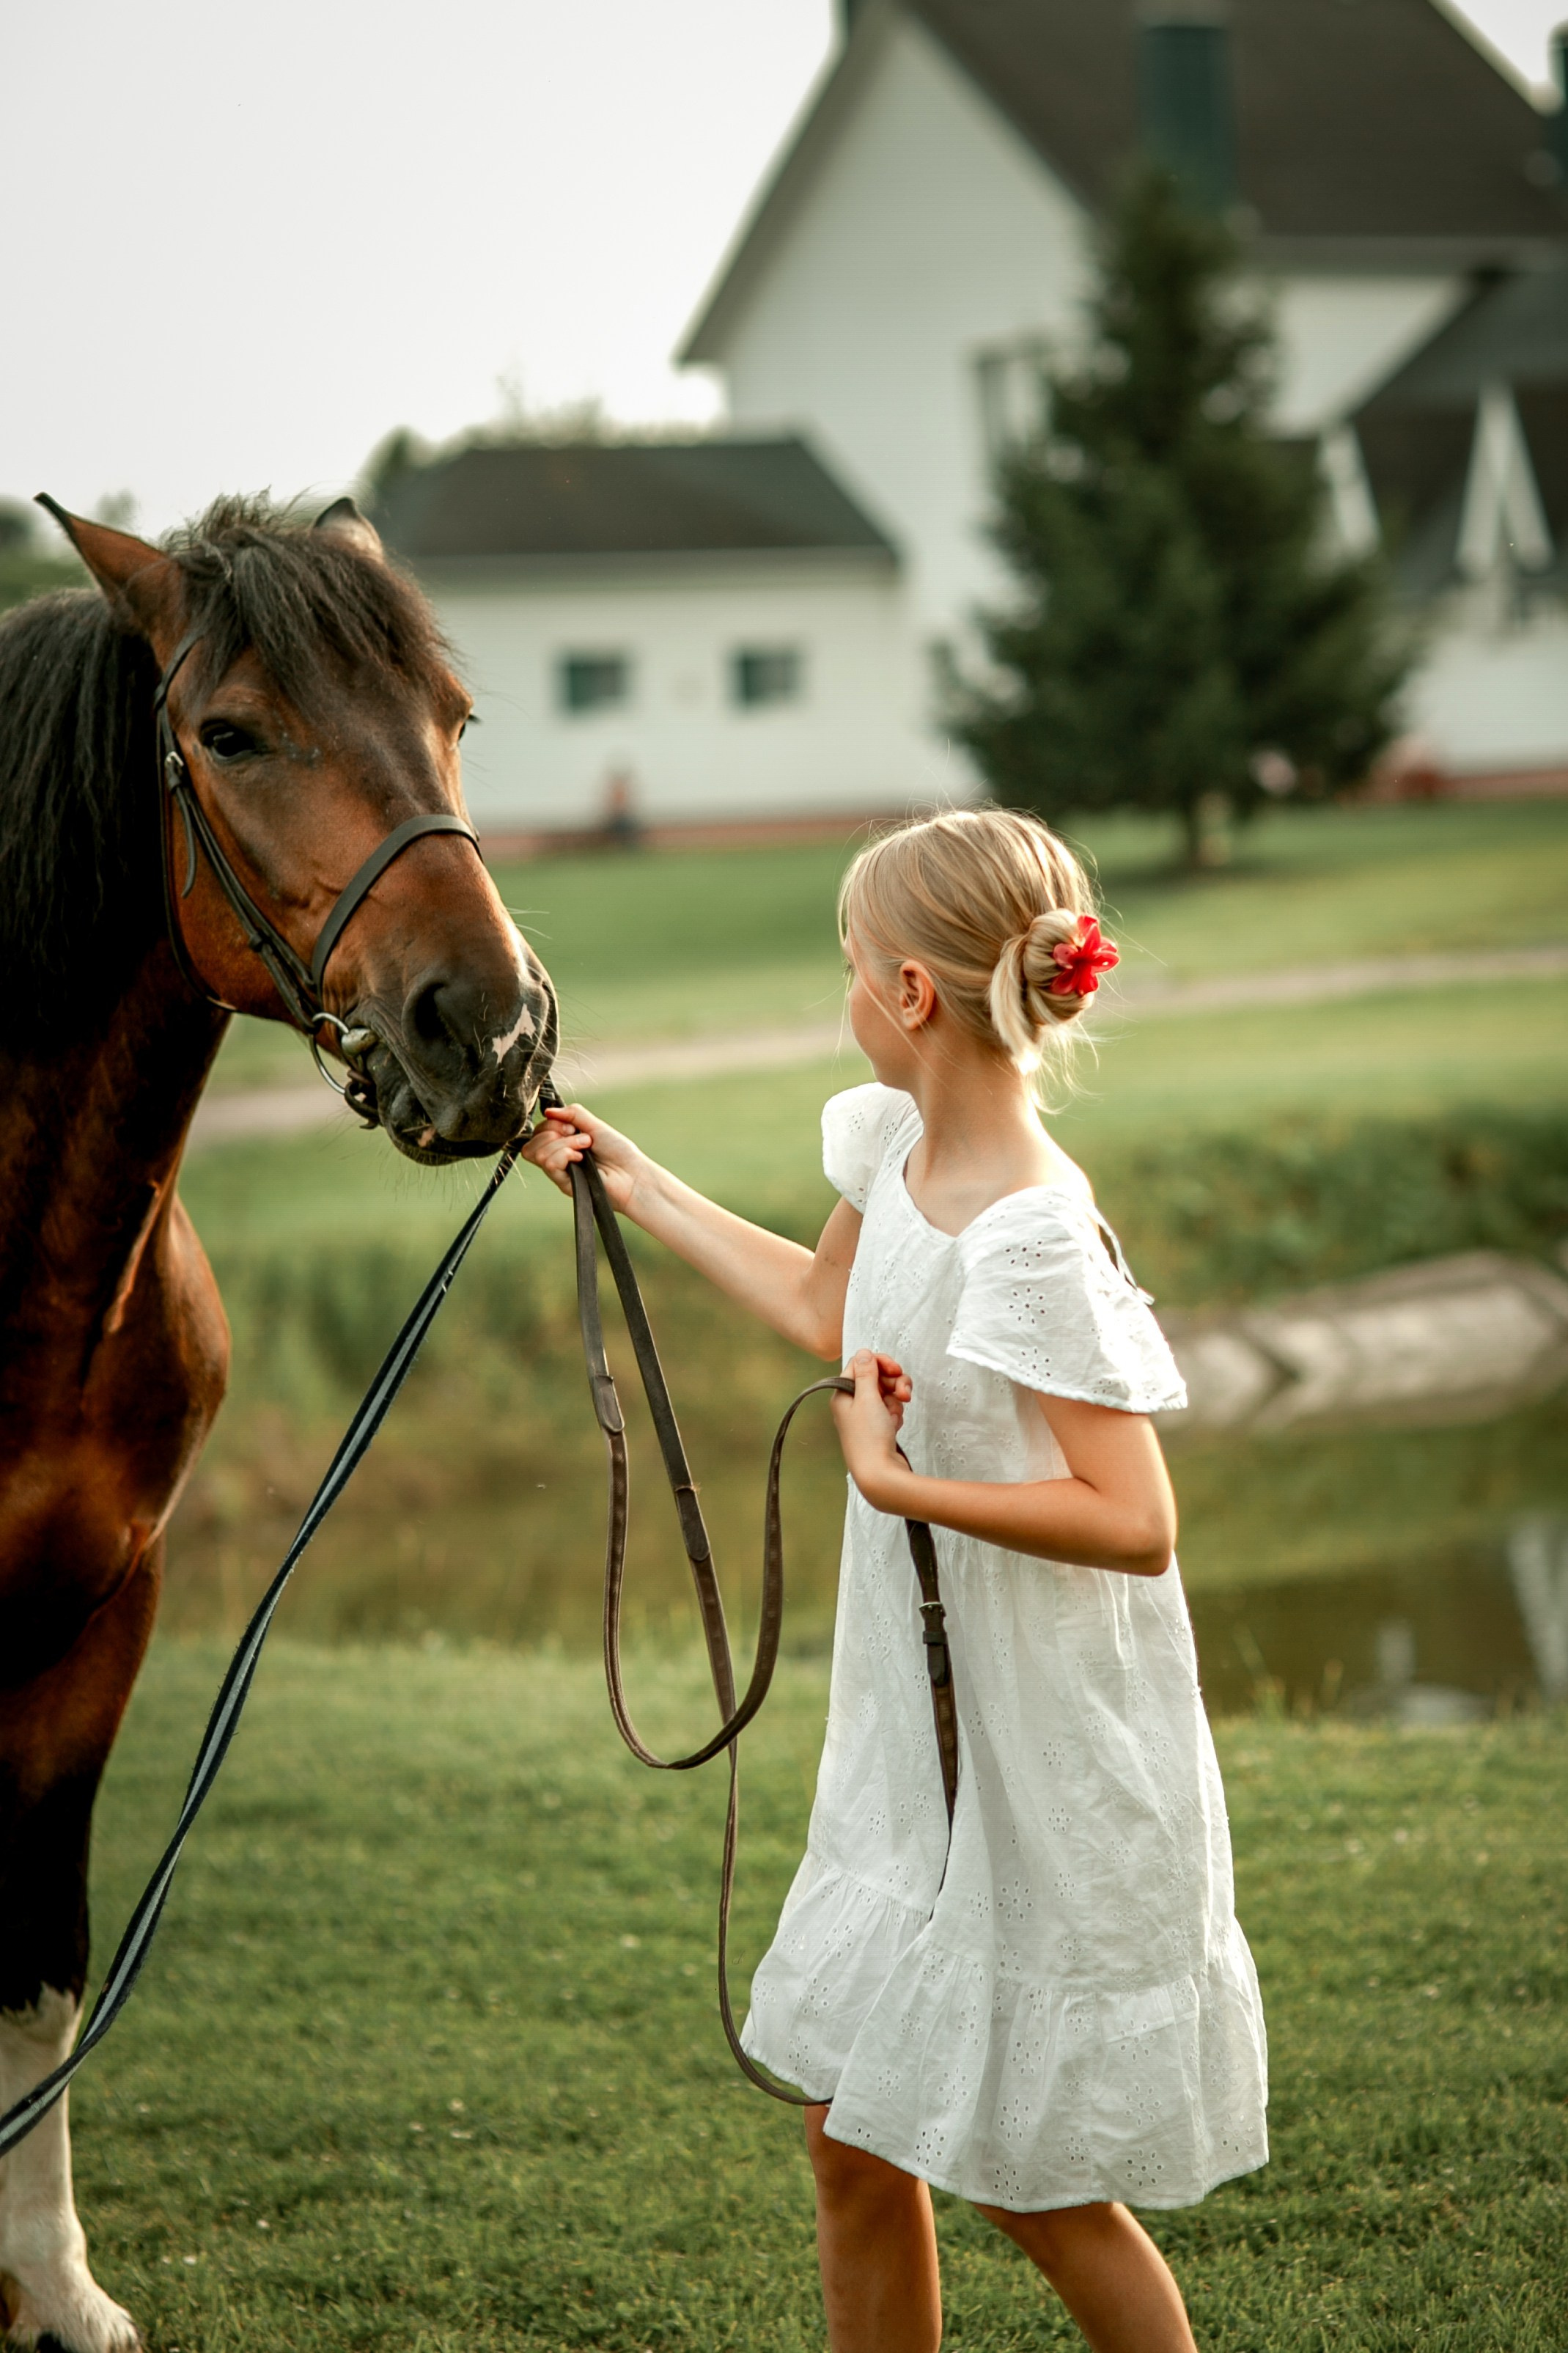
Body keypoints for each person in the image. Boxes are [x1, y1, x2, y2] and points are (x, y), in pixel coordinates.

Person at [523, 808, 1268, 2353]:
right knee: (852, 2133)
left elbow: (1133, 1521)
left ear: (914, 995)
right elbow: (820, 1302)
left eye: (850, 970)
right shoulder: (894, 1147)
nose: (842, 996)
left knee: (1026, 2178)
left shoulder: (1033, 1242)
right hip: (911, 1737)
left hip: (1039, 1742)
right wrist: (632, 1180)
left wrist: (893, 1480)